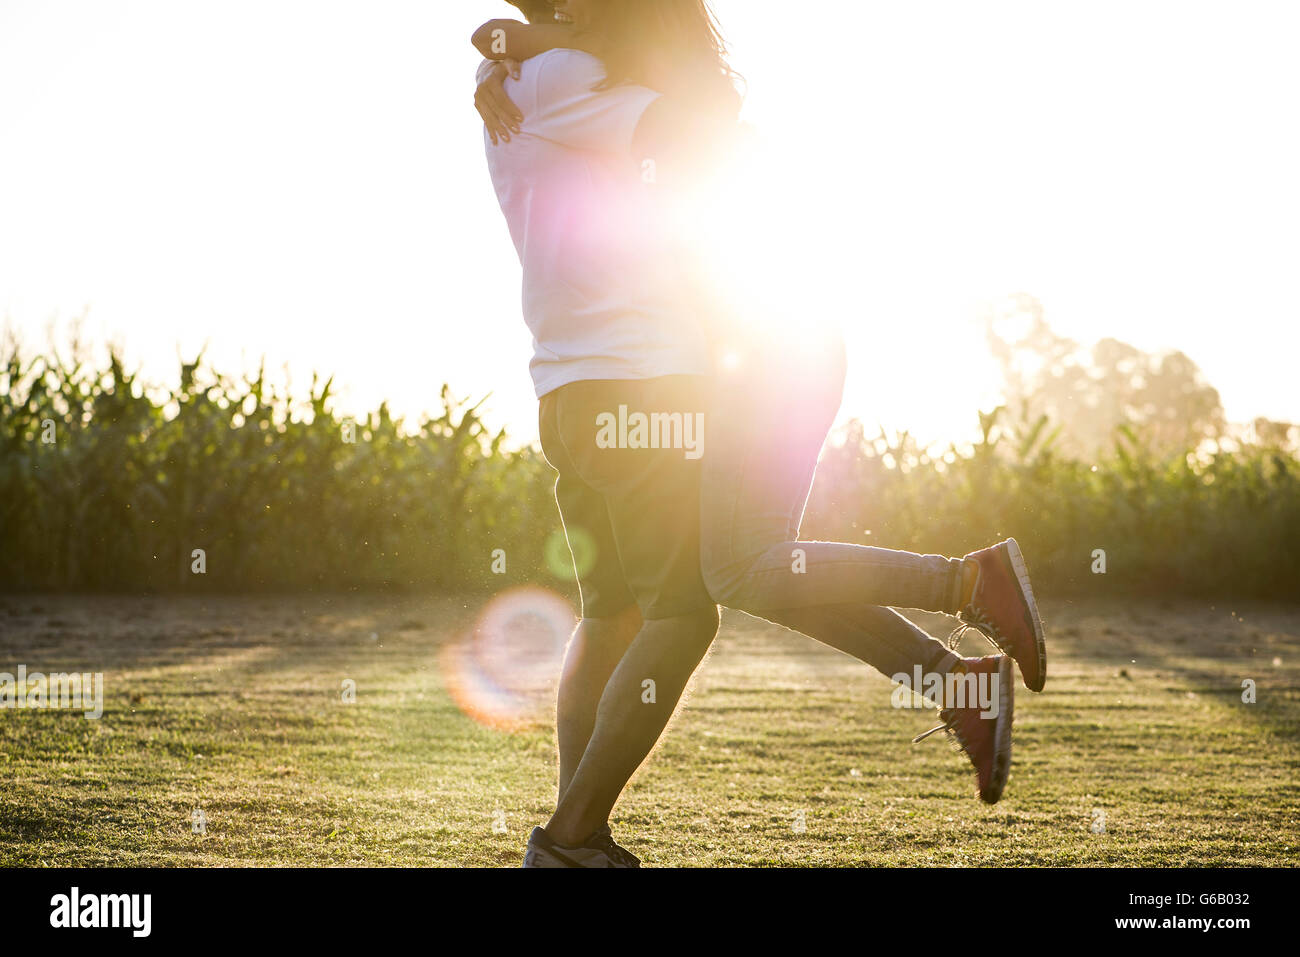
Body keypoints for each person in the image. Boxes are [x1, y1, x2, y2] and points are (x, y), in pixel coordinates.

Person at [473, 0, 1047, 867]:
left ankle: (573, 837)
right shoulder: (556, 71)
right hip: (651, 371)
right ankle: (953, 659)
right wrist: (514, 45)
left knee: (708, 583)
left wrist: (514, 46)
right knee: (678, 595)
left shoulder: (556, 73)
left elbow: (695, 145)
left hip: (712, 358)